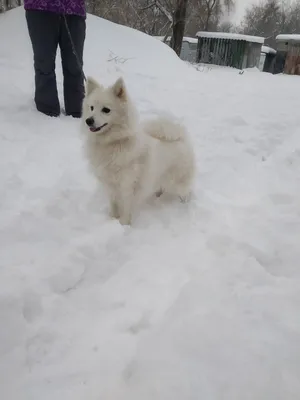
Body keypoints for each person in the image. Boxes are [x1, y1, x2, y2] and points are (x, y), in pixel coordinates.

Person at [24, 0, 86, 118]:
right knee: (44, 63)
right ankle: (47, 110)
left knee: (75, 65)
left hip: (74, 10)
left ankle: (77, 109)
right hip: (40, 7)